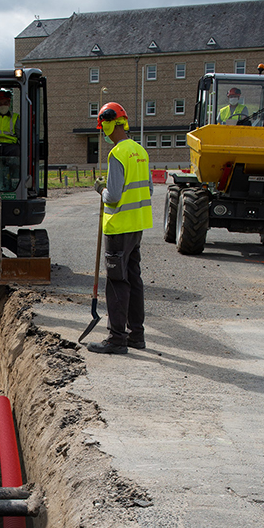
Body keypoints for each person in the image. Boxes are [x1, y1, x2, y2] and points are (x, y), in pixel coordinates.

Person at [89, 101, 153, 355]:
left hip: (118, 228)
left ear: (109, 123)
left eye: (103, 125)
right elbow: (147, 188)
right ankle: (136, 335)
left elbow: (113, 196)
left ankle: (117, 338)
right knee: (134, 279)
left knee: (117, 282)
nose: (102, 130)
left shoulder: (117, 153)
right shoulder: (140, 151)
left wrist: (100, 189)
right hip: (136, 226)